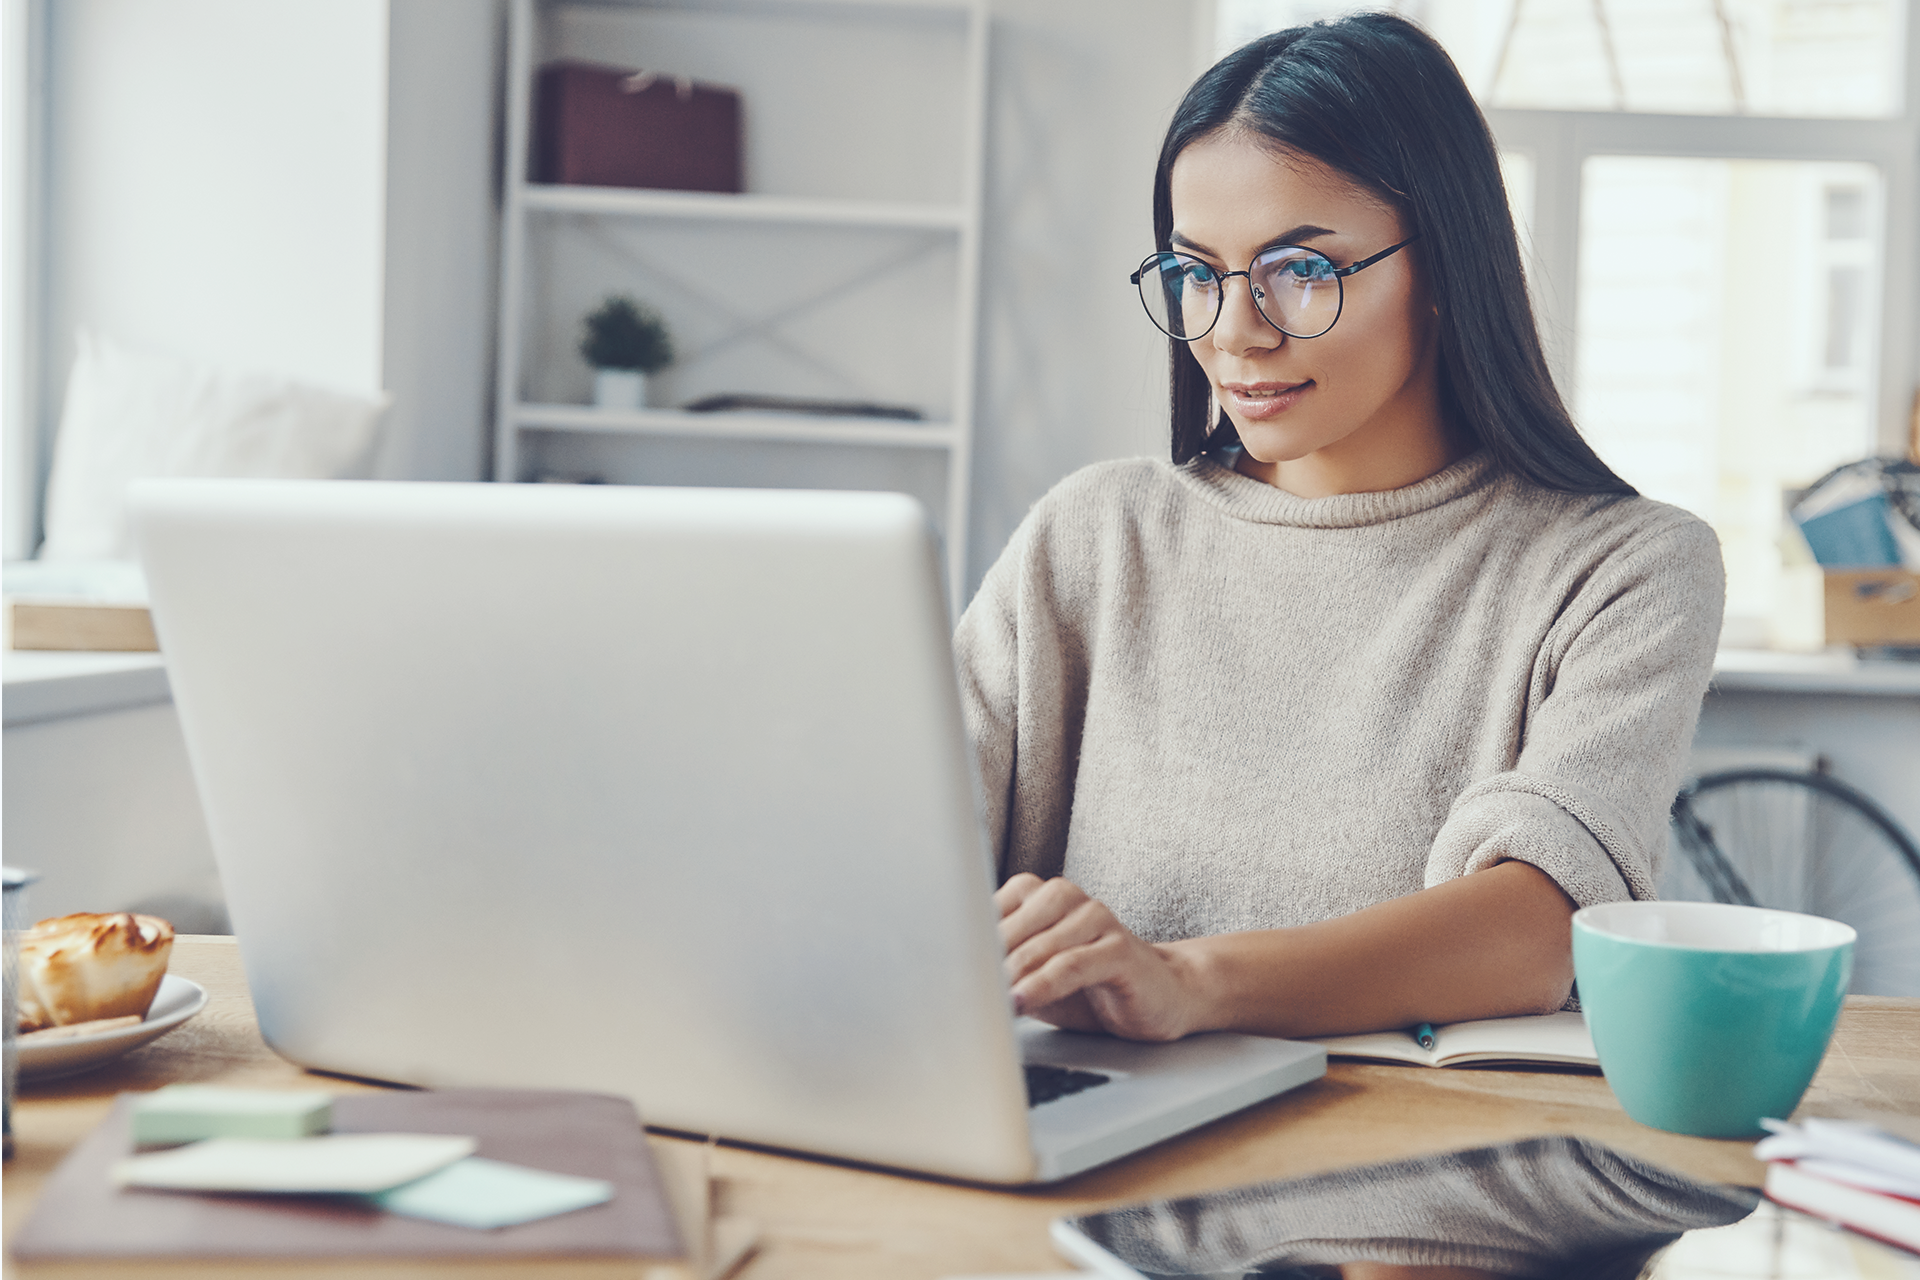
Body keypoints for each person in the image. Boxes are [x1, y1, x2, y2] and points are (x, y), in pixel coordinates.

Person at [955, 13, 1724, 1044]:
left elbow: (1535, 927)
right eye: (1195, 274)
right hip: (1095, 1154)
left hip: (1421, 1173)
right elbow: (903, 836)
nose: (1235, 331)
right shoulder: (1092, 535)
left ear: (1445, 268)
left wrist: (1188, 979)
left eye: (1300, 270)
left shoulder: (1623, 569)